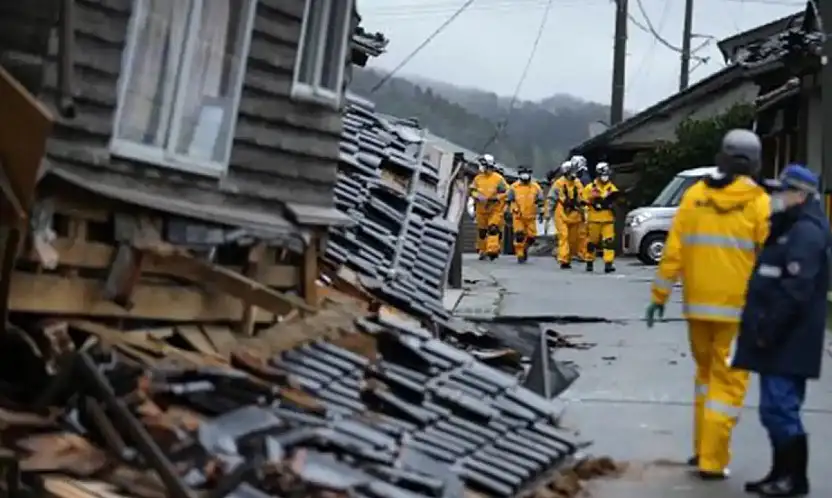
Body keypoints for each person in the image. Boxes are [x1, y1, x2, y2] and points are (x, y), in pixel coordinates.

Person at [645, 129, 771, 479]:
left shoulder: (695, 195)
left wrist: (659, 296)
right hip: (738, 310)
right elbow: (769, 256)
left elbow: (673, 251)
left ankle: (702, 449)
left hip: (697, 307)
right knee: (726, 385)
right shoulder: (758, 201)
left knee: (704, 378)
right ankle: (712, 462)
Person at [732, 165, 830, 497]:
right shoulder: (789, 226)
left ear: (800, 194)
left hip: (789, 338)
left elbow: (796, 290)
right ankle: (780, 472)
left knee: (781, 408)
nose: (776, 197)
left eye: (782, 191)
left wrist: (769, 329)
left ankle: (793, 478)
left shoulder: (805, 232)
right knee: (773, 409)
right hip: (780, 336)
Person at [582, 162, 620, 273]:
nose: (605, 177)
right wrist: (592, 203)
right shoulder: (590, 188)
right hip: (594, 219)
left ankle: (608, 263)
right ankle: (589, 261)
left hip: (608, 219)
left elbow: (616, 201)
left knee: (609, 242)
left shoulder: (612, 188)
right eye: (603, 174)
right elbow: (583, 201)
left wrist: (611, 204)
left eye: (607, 174)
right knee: (592, 242)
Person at [470, 154, 508, 260]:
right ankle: (482, 250)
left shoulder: (498, 179)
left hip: (495, 209)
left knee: (493, 228)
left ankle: (492, 250)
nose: (481, 167)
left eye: (482, 164)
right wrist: (478, 196)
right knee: (482, 231)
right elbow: (472, 190)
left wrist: (496, 198)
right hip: (481, 209)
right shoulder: (478, 178)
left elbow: (506, 192)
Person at [549, 160, 585, 269]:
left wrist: (584, 211)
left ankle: (570, 255)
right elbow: (551, 199)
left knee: (573, 239)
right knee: (563, 236)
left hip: (575, 214)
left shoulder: (578, 183)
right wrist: (547, 213)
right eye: (571, 172)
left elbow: (583, 198)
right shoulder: (558, 183)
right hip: (562, 214)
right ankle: (563, 259)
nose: (573, 175)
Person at [507, 167, 544, 263]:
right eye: (523, 173)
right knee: (519, 235)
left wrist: (541, 212)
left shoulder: (536, 187)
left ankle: (525, 248)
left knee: (532, 237)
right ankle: (520, 254)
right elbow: (509, 200)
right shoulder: (514, 187)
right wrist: (510, 211)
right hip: (518, 216)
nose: (525, 175)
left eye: (527, 173)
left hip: (531, 216)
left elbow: (540, 201)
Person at [571, 155, 592, 262]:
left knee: (583, 233)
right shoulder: (582, 176)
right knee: (579, 232)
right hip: (581, 208)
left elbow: (584, 195)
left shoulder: (584, 178)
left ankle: (584, 253)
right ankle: (579, 252)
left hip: (584, 208)